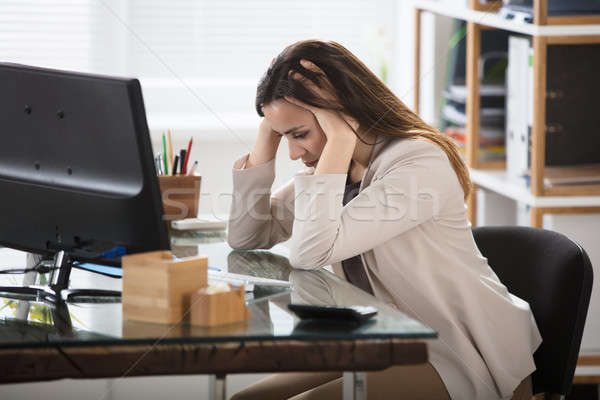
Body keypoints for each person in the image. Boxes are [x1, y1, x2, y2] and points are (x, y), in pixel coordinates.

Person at [227, 39, 541, 400]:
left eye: (300, 135)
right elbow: (246, 236)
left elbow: (310, 252)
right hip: (379, 340)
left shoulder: (418, 162)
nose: (295, 153)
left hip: (455, 351)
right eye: (286, 138)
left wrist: (340, 140)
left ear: (341, 110)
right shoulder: (339, 169)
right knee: (245, 398)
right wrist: (269, 132)